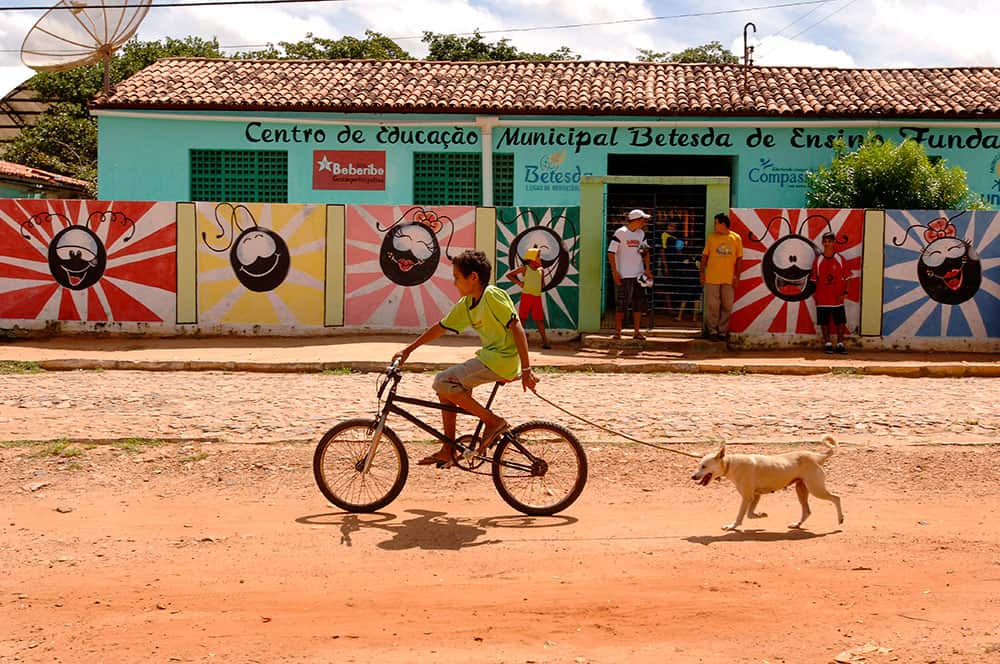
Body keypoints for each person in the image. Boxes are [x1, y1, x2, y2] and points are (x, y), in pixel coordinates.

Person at [392, 249, 538, 467]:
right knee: (445, 391)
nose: (455, 283)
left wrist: (526, 370)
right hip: (490, 359)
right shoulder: (467, 304)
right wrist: (409, 349)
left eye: (457, 278)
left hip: (502, 361)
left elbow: (517, 328)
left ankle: (493, 421)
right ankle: (448, 448)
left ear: (474, 277)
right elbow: (441, 327)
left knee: (442, 381)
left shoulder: (492, 295)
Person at [608, 209, 654, 340]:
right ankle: (618, 332)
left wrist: (647, 269)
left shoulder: (641, 234)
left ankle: (636, 332)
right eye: (643, 220)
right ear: (637, 220)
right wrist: (615, 272)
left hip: (638, 274)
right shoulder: (621, 233)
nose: (645, 222)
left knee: (638, 303)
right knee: (621, 303)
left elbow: (645, 252)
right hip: (624, 274)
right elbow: (611, 252)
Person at [700, 212, 743, 341]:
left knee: (727, 306)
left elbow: (739, 259)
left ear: (723, 224)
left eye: (716, 223)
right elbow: (704, 256)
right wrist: (702, 273)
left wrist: (737, 277)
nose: (714, 226)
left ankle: (722, 332)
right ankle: (712, 331)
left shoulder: (736, 238)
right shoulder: (711, 237)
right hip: (712, 278)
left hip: (728, 278)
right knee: (712, 306)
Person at [810, 232, 851, 354]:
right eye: (825, 241)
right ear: (822, 243)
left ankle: (840, 344)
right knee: (824, 321)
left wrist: (845, 292)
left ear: (834, 242)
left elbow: (848, 278)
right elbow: (814, 280)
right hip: (822, 297)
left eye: (829, 241)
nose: (827, 243)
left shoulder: (840, 259)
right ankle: (827, 343)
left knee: (840, 321)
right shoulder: (818, 260)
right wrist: (815, 295)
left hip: (837, 297)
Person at [505, 245, 551, 349]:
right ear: (532, 258)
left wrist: (540, 282)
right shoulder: (525, 268)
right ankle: (517, 342)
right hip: (526, 296)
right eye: (538, 256)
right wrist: (519, 283)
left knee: (539, 320)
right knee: (522, 319)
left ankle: (545, 342)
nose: (541, 259)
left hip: (537, 297)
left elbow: (542, 284)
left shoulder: (541, 270)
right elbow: (509, 275)